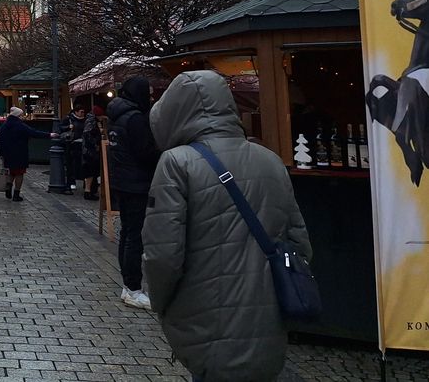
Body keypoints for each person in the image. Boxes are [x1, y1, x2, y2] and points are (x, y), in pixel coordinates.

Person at [142, 71, 311, 382]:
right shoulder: (270, 160)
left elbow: (162, 256)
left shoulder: (177, 163)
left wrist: (161, 303)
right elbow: (300, 244)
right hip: (266, 321)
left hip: (205, 315)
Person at [107, 75, 159, 310]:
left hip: (122, 181)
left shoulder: (117, 115)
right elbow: (145, 153)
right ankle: (133, 288)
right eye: (147, 93)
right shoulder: (134, 119)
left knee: (128, 233)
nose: (150, 98)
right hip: (136, 182)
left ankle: (129, 285)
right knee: (135, 236)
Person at [0, 106, 57, 201]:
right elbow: (33, 132)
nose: (22, 117)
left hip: (7, 153)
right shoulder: (20, 125)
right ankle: (16, 194)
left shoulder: (4, 125)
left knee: (11, 171)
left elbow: (0, 140)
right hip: (19, 152)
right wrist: (49, 135)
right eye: (21, 115)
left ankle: (8, 187)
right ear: (18, 116)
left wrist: (0, 153)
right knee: (20, 173)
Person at [61, 103, 88, 191]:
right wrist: (68, 127)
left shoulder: (86, 120)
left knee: (83, 164)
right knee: (71, 164)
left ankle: (85, 182)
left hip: (82, 144)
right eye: (81, 112)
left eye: (83, 112)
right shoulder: (69, 119)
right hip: (71, 144)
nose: (82, 114)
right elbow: (61, 128)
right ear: (76, 112)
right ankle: (71, 182)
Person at [80, 103, 104, 200]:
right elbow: (88, 135)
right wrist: (96, 145)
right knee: (91, 170)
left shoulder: (90, 120)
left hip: (88, 150)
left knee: (91, 171)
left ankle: (90, 190)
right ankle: (88, 191)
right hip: (90, 151)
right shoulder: (91, 122)